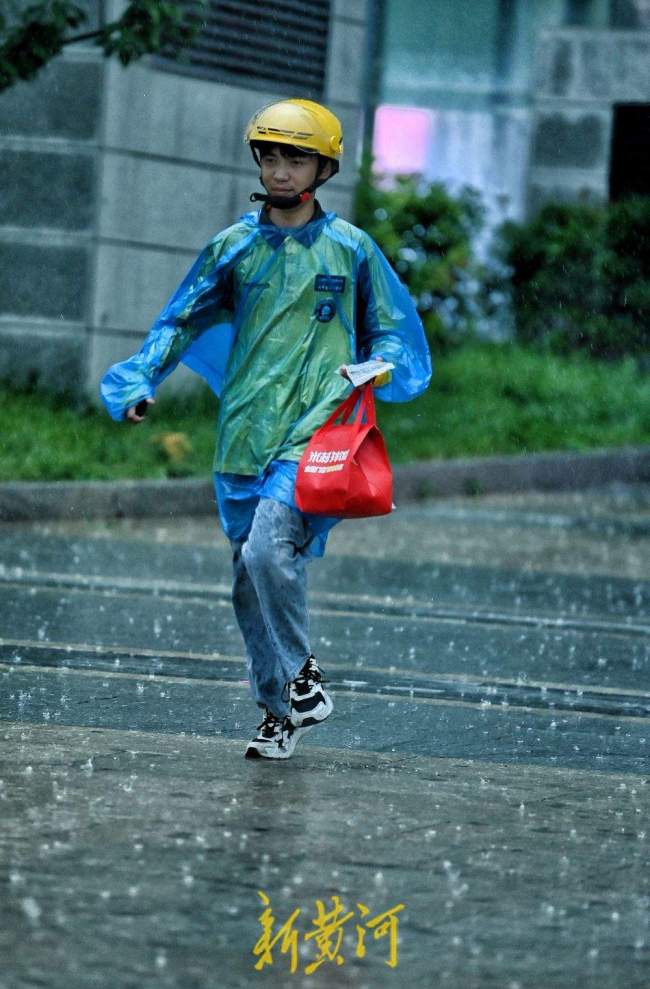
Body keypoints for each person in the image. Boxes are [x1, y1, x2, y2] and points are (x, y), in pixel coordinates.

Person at [100, 98, 431, 760]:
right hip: (243, 433)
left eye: (296, 157)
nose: (281, 170)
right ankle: (277, 709)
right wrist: (138, 381)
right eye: (271, 156)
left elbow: (396, 330)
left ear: (323, 166)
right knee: (250, 579)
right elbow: (179, 321)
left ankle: (303, 677)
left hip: (316, 434)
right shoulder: (233, 248)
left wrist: (379, 368)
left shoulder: (352, 250)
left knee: (266, 549)